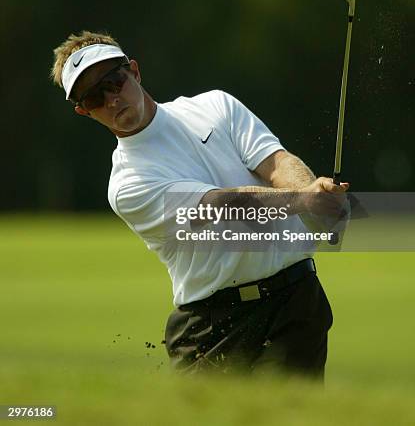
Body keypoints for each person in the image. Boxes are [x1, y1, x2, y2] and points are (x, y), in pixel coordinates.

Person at [51, 30, 349, 378]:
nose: (111, 100)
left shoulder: (215, 105)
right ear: (84, 111)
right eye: (93, 97)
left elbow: (276, 163)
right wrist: (303, 199)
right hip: (214, 327)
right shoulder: (127, 185)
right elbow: (222, 205)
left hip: (295, 303)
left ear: (134, 71)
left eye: (114, 81)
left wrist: (312, 192)